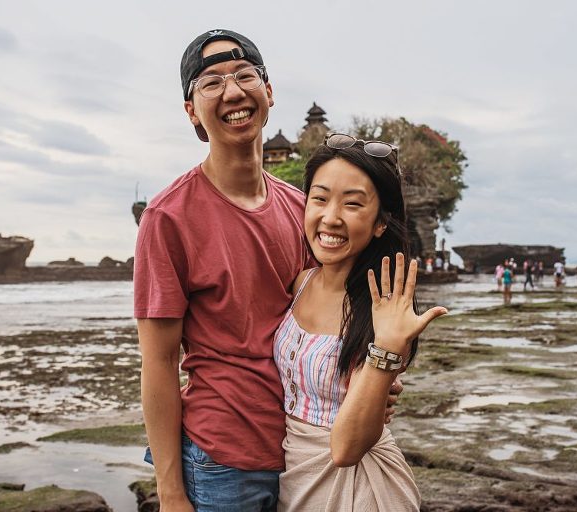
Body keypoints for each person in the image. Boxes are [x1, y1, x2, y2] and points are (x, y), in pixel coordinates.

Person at [134, 30, 402, 511]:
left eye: (244, 75)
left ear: (269, 90)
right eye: (210, 82)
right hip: (221, 461)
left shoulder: (301, 209)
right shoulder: (168, 218)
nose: (233, 92)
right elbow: (157, 362)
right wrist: (171, 493)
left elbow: (327, 309)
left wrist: (374, 373)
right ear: (191, 110)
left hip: (301, 453)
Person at [274, 134, 447, 511]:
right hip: (292, 476)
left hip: (360, 489)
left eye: (352, 204)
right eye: (319, 198)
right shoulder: (300, 283)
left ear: (380, 222)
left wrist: (387, 350)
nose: (330, 217)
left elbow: (347, 448)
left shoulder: (380, 312)